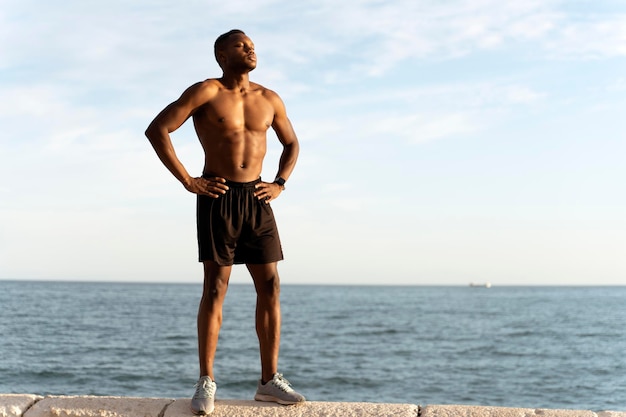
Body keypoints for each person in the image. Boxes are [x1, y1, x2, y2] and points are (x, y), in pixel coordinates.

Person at [145, 29, 305, 415]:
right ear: (221, 54)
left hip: (257, 198)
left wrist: (280, 183)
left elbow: (292, 143)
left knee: (270, 286)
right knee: (216, 288)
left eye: (252, 45)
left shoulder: (269, 98)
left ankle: (269, 382)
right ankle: (206, 381)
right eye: (240, 45)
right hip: (217, 197)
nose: (250, 49)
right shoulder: (206, 91)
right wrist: (188, 180)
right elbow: (158, 129)